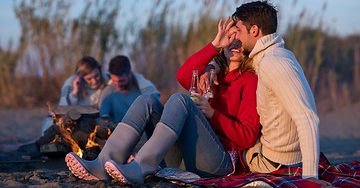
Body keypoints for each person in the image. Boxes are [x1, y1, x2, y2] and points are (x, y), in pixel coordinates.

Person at [64, 19, 260, 185]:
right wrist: (214, 46)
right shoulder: (210, 73)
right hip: (185, 157)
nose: (235, 42)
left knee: (180, 100)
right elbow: (183, 75)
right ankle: (102, 164)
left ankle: (140, 167)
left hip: (218, 163)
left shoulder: (250, 80)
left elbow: (247, 137)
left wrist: (212, 114)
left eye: (240, 39)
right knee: (146, 101)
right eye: (231, 37)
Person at [204, 1, 331, 187]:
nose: (235, 37)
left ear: (254, 30)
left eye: (238, 30)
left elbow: (308, 118)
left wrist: (310, 177)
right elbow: (240, 63)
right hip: (277, 154)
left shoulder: (274, 63)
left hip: (272, 161)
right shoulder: (273, 55)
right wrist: (212, 66)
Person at [41, 56, 109, 135]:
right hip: (76, 120)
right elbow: (63, 109)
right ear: (81, 78)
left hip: (96, 120)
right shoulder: (70, 83)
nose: (94, 81)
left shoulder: (108, 78)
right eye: (89, 79)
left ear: (100, 71)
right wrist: (75, 92)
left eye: (96, 76)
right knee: (49, 124)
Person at [98, 55, 160, 126]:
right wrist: (105, 122)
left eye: (121, 81)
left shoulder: (147, 92)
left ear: (130, 74)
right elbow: (103, 118)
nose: (118, 84)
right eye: (114, 81)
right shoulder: (108, 92)